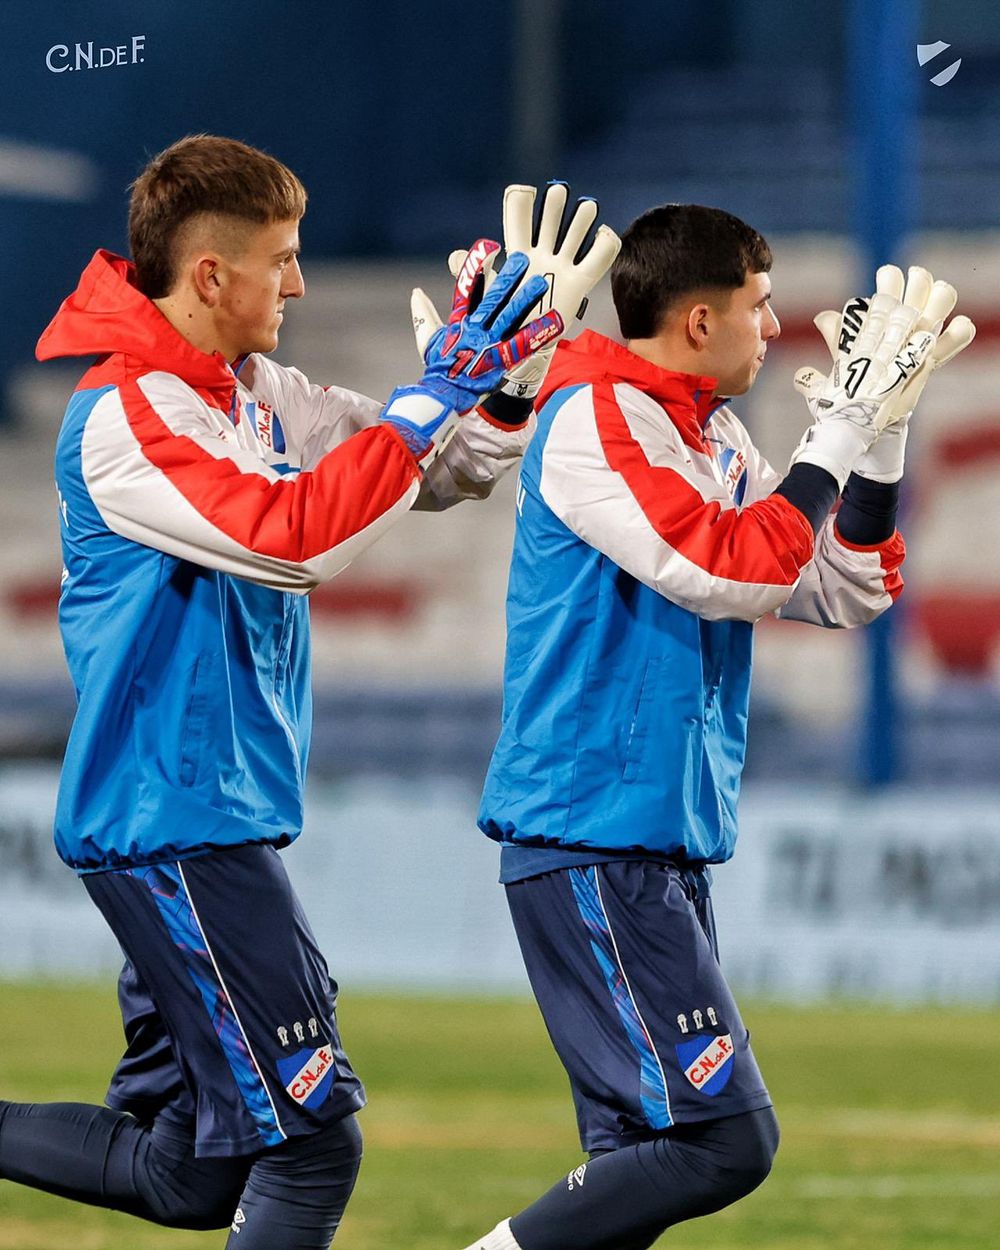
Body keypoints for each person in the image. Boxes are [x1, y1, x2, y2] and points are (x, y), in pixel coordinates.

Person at [0, 136, 618, 1249]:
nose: (298, 284)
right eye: (281, 259)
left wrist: (505, 378)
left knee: (193, 1170)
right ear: (210, 275)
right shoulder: (127, 413)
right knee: (311, 1141)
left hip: (200, 814)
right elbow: (295, 540)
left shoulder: (256, 392)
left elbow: (435, 470)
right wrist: (435, 390)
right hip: (174, 815)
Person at [465, 203, 975, 1250]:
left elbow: (837, 585)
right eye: (759, 304)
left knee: (641, 1161)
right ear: (699, 320)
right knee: (723, 1140)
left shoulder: (707, 433)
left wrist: (881, 436)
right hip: (591, 826)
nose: (775, 324)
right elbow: (724, 568)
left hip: (647, 832)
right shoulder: (595, 414)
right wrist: (837, 429)